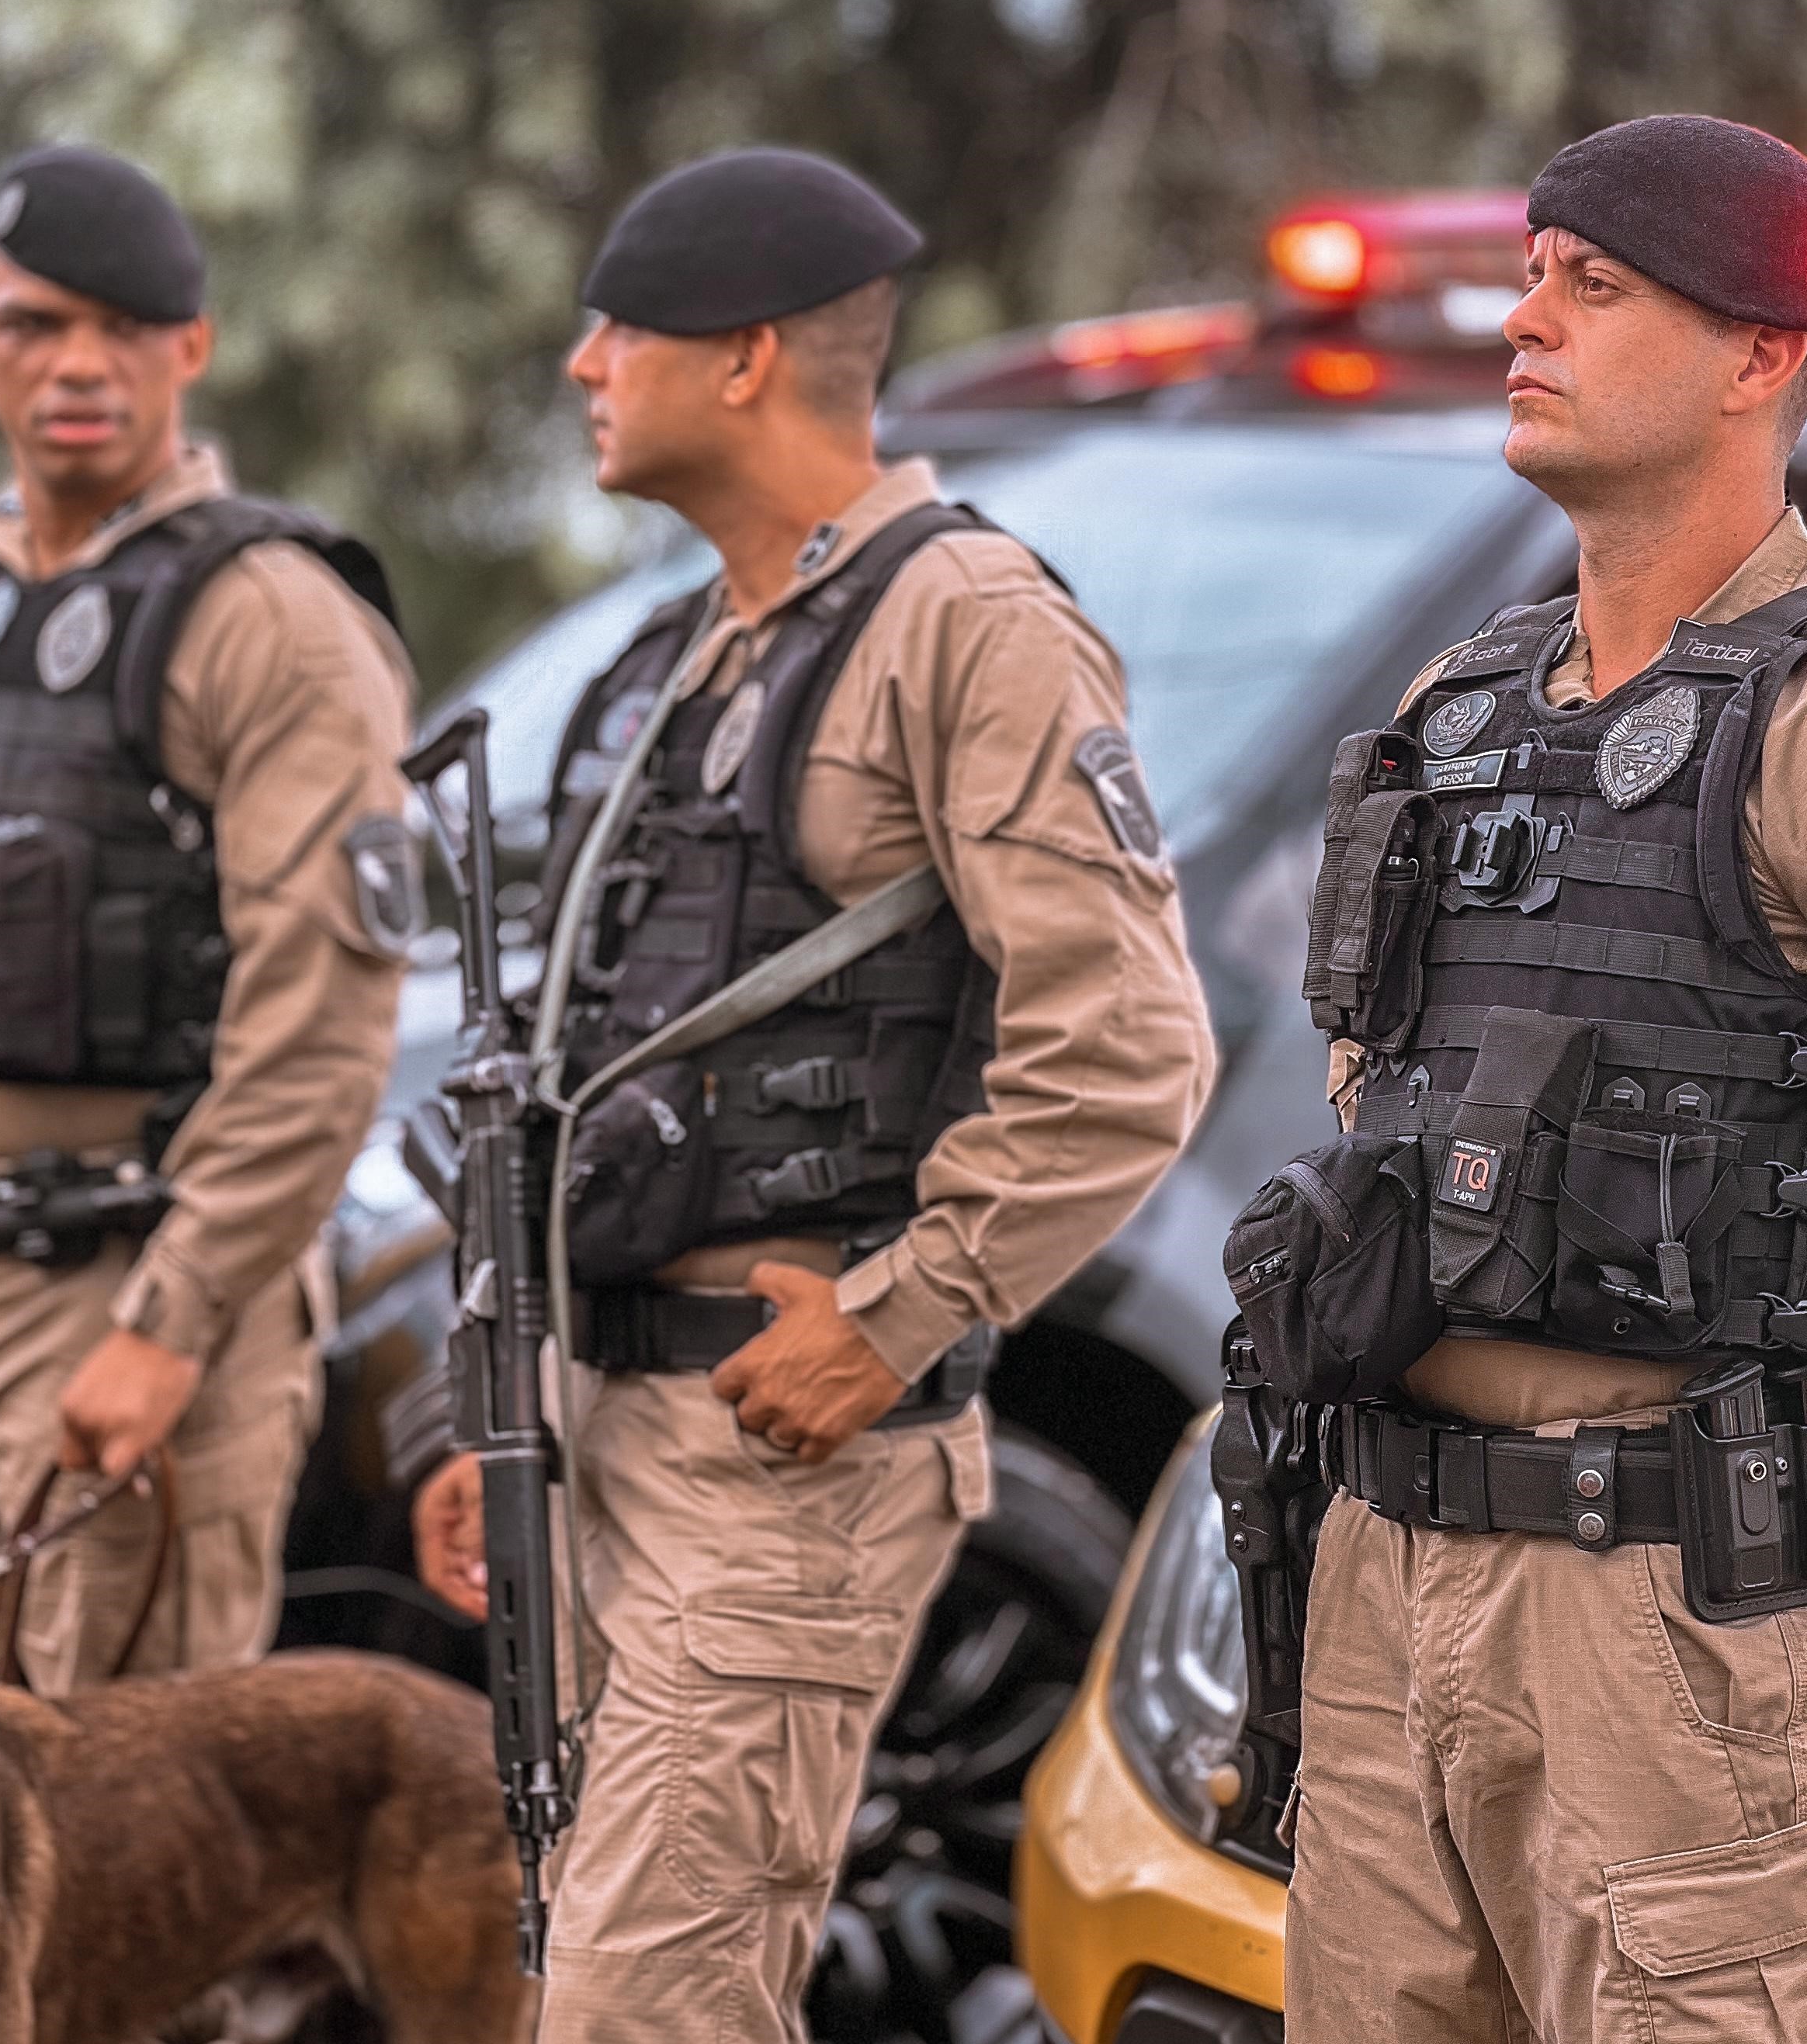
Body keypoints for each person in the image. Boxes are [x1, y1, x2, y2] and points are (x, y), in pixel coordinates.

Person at [410, 147, 1216, 2042]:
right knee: (588, 1991)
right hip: (595, 1429)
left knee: (645, 2012)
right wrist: (496, 1411)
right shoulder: (684, 651)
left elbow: (1129, 1045)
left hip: (775, 1463)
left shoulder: (967, 623)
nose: (583, 366)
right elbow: (572, 1065)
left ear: (748, 355)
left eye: (621, 328)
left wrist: (903, 1310)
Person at [1264, 114, 1807, 2040]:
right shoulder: (1459, 714)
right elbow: (1380, 1101)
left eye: (1594, 288)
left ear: (1761, 353)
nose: (1525, 322)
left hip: (1679, 1631)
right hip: (1385, 1598)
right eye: (1532, 275)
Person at [0, 146, 418, 1691]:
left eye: (127, 328)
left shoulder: (272, 617)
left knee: (103, 1805)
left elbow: (320, 1032)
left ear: (195, 347)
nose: (82, 365)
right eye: (37, 325)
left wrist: (173, 1322)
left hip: (115, 1284)